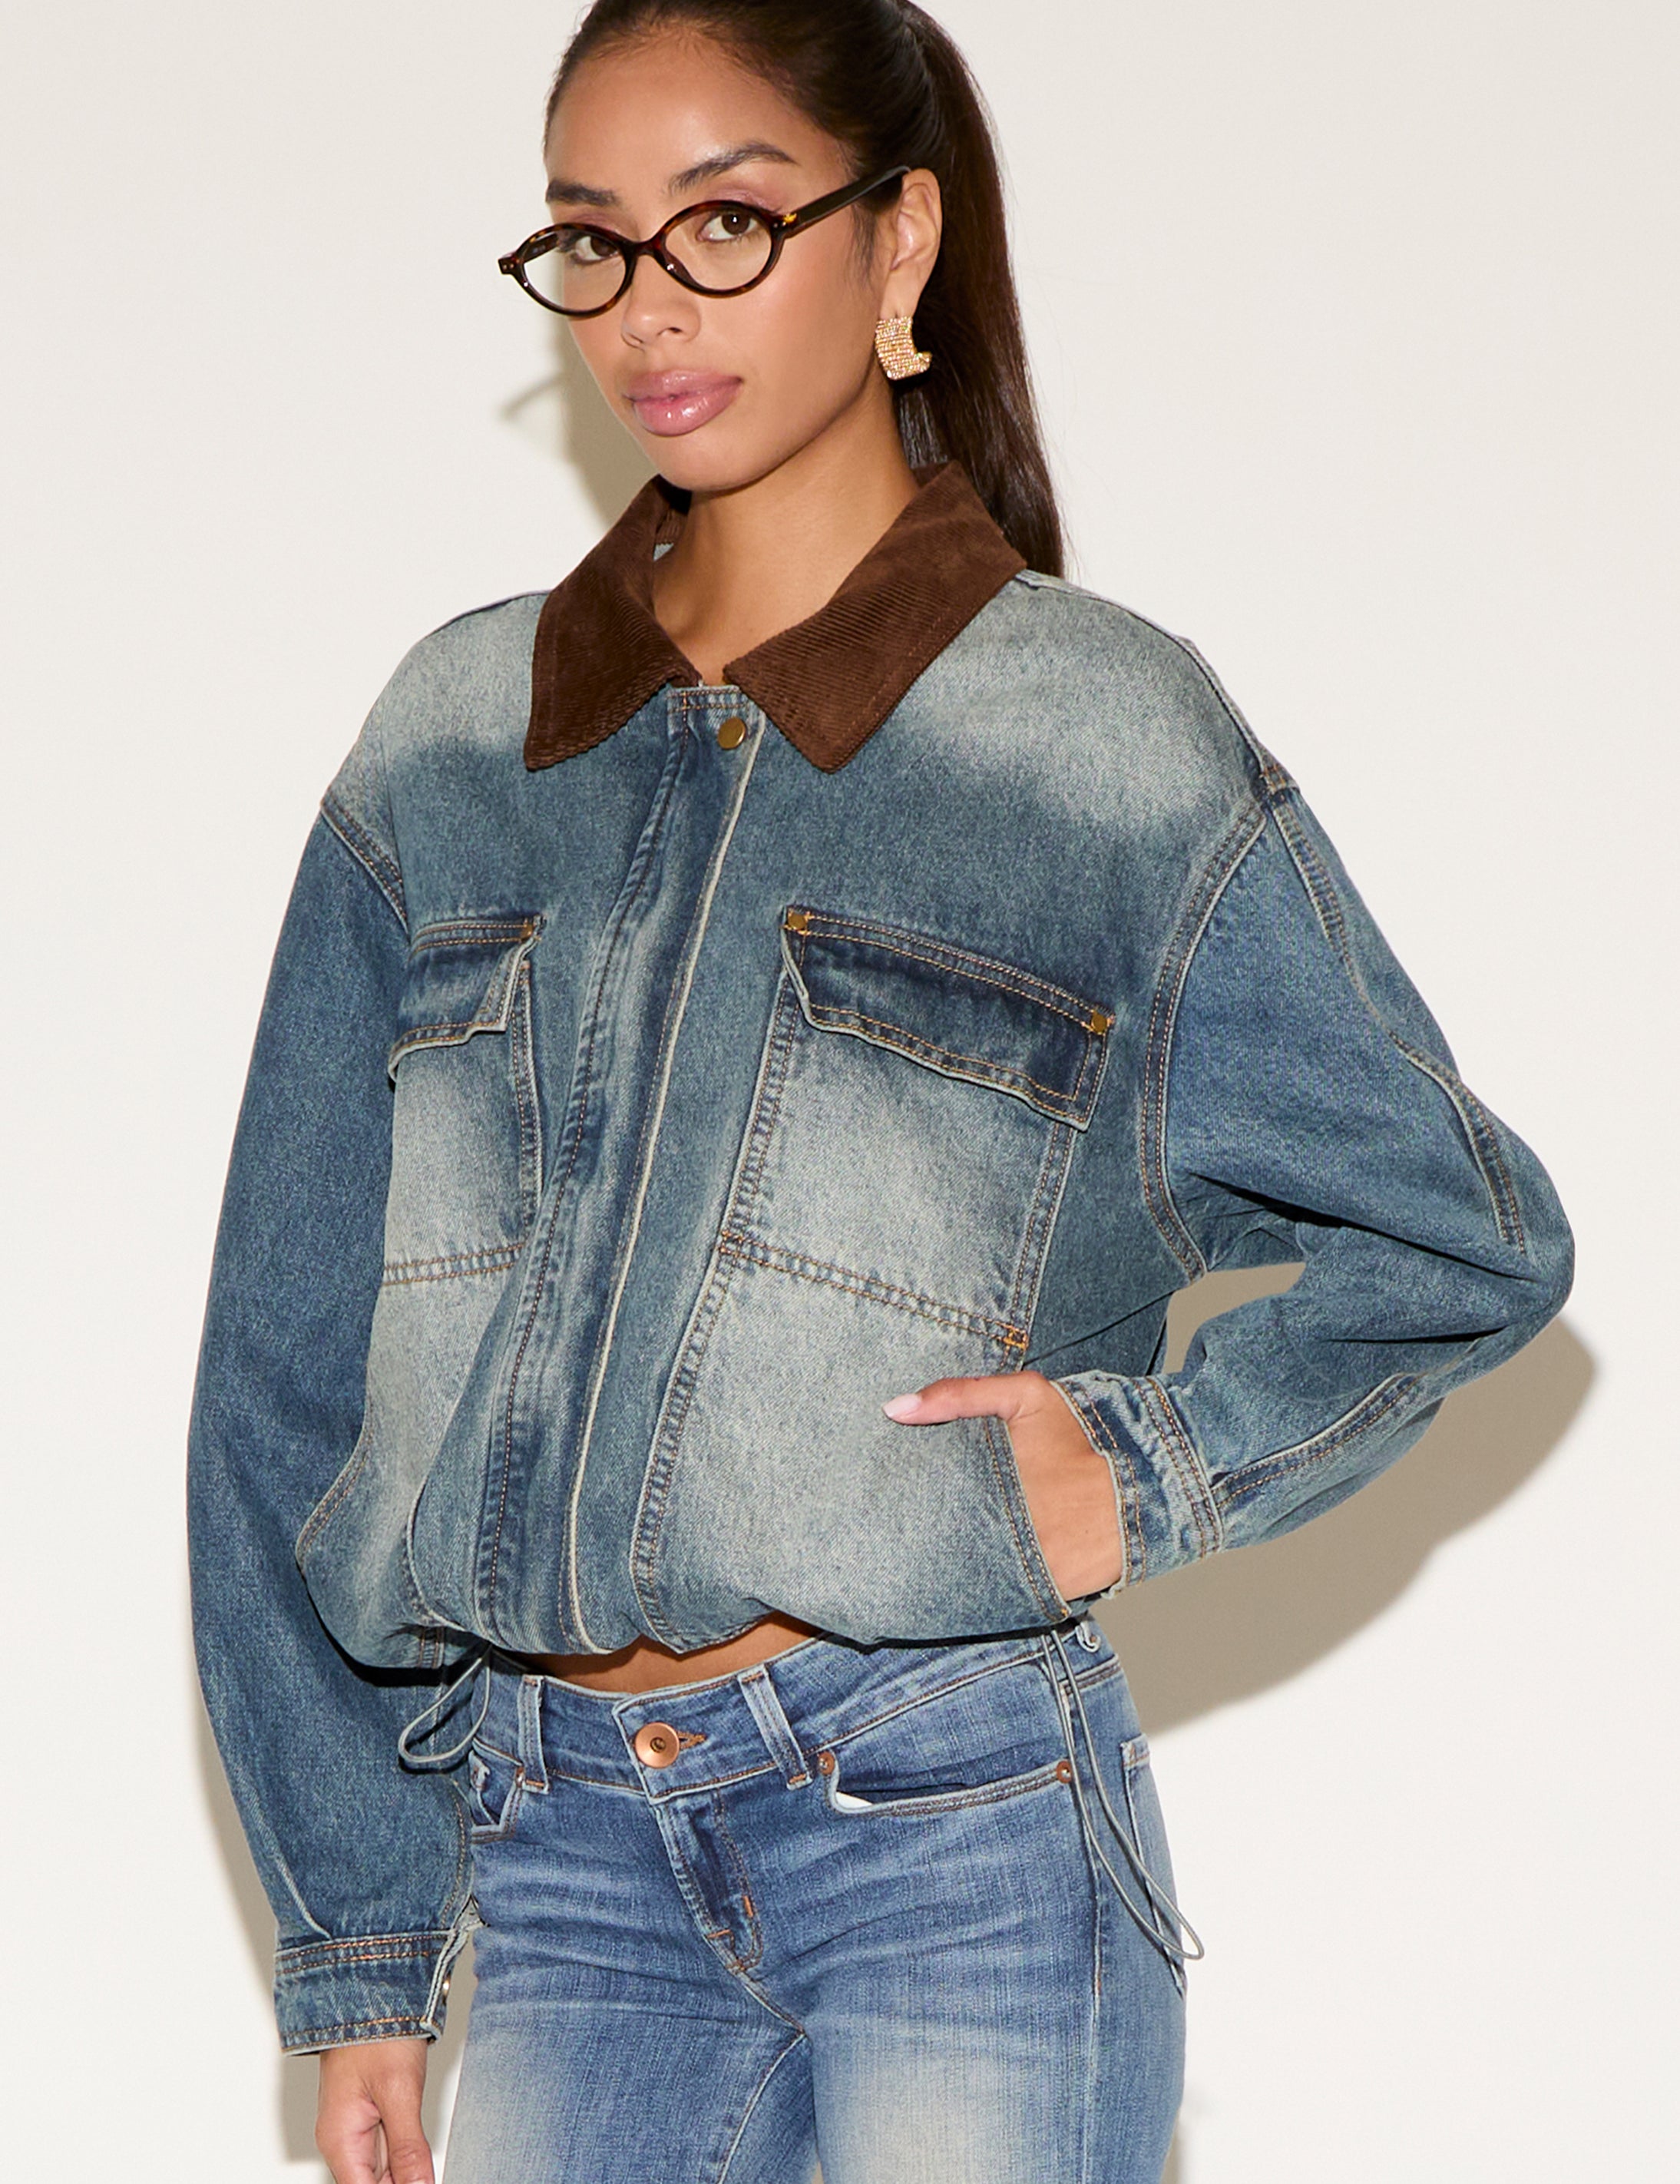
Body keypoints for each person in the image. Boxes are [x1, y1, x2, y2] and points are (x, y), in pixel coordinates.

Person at [187, 4, 1573, 2179]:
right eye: (592, 241)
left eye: (727, 223)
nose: (649, 307)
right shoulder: (454, 740)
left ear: (898, 241)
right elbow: (285, 1374)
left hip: (956, 1823)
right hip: (557, 1862)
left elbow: (1459, 1241)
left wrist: (1144, 1471)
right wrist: (361, 1935)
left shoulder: (1096, 744)